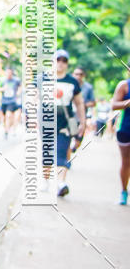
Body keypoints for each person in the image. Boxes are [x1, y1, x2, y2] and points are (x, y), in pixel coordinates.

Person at [54, 50, 85, 198]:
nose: (60, 63)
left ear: (67, 63)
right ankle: (46, 180)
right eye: (58, 59)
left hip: (65, 123)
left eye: (64, 60)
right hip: (46, 123)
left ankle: (61, 183)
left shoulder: (72, 82)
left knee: (61, 153)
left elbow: (79, 103)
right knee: (47, 153)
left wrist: (82, 122)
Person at [111, 74, 130, 205]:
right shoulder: (124, 86)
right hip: (125, 129)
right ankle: (123, 191)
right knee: (126, 162)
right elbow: (114, 105)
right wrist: (127, 103)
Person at [72, 66, 95, 149]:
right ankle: (66, 157)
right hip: (70, 117)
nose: (78, 76)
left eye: (80, 74)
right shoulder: (69, 85)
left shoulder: (88, 87)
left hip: (81, 117)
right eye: (76, 74)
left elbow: (93, 102)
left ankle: (72, 150)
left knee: (78, 141)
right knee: (66, 139)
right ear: (73, 74)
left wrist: (81, 105)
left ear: (83, 75)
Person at [0, 66, 21, 138]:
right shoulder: (2, 80)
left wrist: (18, 92)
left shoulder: (16, 80)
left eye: (10, 73)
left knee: (9, 115)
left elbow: (20, 86)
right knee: (4, 118)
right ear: (5, 73)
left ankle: (6, 131)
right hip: (4, 101)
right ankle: (6, 128)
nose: (8, 74)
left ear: (12, 73)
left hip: (12, 101)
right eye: (7, 72)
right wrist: (2, 89)